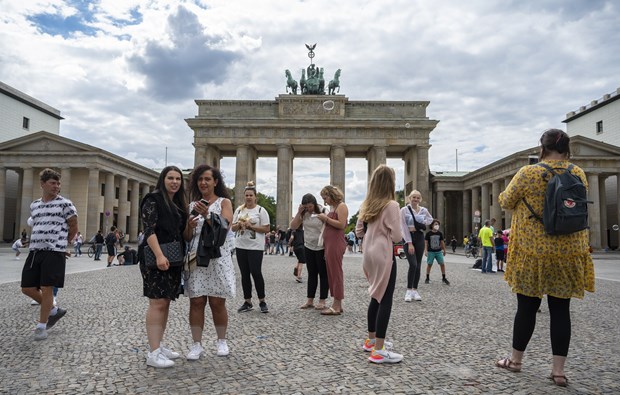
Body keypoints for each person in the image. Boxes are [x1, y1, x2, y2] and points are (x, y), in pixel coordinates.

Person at [495, 129, 595, 387]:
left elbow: (506, 201)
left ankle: (516, 361)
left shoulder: (529, 173)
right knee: (561, 310)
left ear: (542, 148)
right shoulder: (578, 173)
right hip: (568, 252)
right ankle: (558, 371)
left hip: (534, 252)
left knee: (526, 308)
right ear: (567, 149)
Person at [183, 164, 236, 360]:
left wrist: (207, 215)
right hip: (197, 256)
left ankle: (221, 340)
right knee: (196, 301)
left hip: (217, 255)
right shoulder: (191, 205)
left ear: (215, 181)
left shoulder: (224, 202)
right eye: (200, 179)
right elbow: (188, 237)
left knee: (217, 301)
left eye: (207, 179)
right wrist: (188, 226)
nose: (203, 182)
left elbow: (226, 225)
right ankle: (196, 344)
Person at [139, 165, 190, 368]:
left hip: (173, 258)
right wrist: (159, 255)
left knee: (166, 302)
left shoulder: (178, 203)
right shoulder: (153, 199)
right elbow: (149, 229)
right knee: (157, 303)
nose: (175, 182)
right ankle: (153, 353)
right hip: (156, 257)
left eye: (178, 178)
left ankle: (158, 346)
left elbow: (182, 233)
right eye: (170, 178)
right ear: (163, 179)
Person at [21, 168, 78, 340]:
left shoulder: (65, 204)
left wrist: (62, 244)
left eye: (58, 183)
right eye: (53, 183)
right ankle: (53, 310)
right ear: (43, 184)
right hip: (35, 250)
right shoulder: (35, 205)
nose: (56, 186)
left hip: (54, 251)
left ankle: (41, 326)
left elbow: (74, 226)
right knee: (27, 288)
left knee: (47, 287)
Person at [356, 165, 403, 363]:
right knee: (385, 298)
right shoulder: (391, 204)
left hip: (368, 253)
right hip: (383, 253)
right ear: (390, 183)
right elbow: (398, 236)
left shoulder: (367, 204)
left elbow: (359, 231)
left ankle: (371, 340)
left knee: (376, 295)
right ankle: (379, 350)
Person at [232, 181, 271, 313]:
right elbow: (232, 227)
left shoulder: (261, 210)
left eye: (251, 195)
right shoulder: (239, 210)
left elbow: (266, 229)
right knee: (244, 274)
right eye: (246, 195)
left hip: (255, 246)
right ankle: (247, 301)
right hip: (241, 245)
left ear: (255, 197)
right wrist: (240, 225)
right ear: (244, 196)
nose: (248, 197)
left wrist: (251, 226)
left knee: (256, 272)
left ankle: (262, 300)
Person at [290, 193, 329, 310]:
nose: (309, 209)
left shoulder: (323, 210)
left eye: (310, 206)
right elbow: (293, 226)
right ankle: (310, 300)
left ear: (315, 204)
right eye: (306, 207)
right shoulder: (304, 213)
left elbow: (329, 226)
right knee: (312, 274)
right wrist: (299, 212)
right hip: (308, 246)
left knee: (323, 274)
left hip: (322, 246)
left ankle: (322, 300)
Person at [318, 185, 348, 315]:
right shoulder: (334, 207)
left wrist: (326, 218)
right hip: (330, 243)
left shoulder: (342, 206)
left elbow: (341, 225)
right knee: (331, 273)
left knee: (336, 273)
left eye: (325, 198)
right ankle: (337, 304)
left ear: (331, 195)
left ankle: (336, 305)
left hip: (336, 243)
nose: (325, 201)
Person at [399, 190, 433, 302]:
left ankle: (415, 290)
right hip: (408, 237)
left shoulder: (423, 210)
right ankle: (408, 290)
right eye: (414, 197)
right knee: (412, 264)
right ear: (409, 198)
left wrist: (423, 222)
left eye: (418, 198)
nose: (416, 199)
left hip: (419, 237)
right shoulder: (404, 210)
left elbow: (430, 220)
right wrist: (409, 243)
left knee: (418, 265)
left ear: (420, 199)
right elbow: (403, 227)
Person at [424, 219, 449, 285]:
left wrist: (444, 250)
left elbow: (442, 242)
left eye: (437, 224)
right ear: (432, 225)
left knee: (442, 264)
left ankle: (444, 277)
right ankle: (427, 277)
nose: (437, 225)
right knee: (429, 264)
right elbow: (426, 242)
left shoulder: (440, 233)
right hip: (431, 251)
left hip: (438, 251)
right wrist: (425, 251)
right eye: (435, 224)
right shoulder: (428, 234)